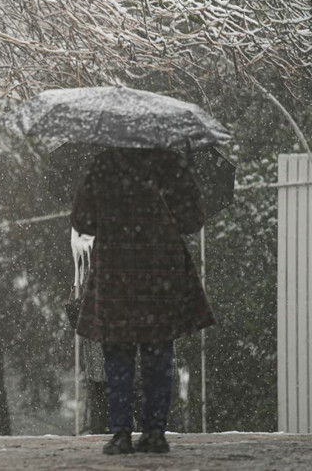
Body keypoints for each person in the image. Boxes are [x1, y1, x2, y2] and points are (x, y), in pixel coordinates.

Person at [70, 147, 215, 455]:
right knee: (158, 349)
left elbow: (83, 221)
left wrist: (112, 216)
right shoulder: (170, 162)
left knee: (117, 351)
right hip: (160, 266)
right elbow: (193, 220)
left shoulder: (103, 163)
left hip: (115, 267)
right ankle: (155, 431)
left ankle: (121, 432)